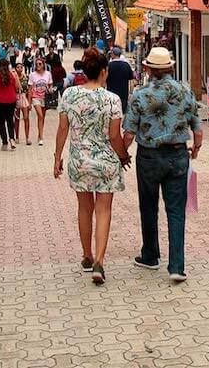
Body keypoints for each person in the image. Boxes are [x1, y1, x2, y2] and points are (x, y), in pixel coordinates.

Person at [122, 47, 202, 283]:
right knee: (176, 211)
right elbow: (197, 129)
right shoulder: (185, 91)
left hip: (148, 157)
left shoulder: (139, 94)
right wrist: (195, 150)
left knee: (148, 206)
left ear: (148, 69)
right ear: (171, 67)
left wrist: (122, 153)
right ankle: (177, 266)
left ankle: (150, 255)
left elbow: (128, 132)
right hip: (178, 156)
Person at [54, 47, 131, 284]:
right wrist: (123, 156)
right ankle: (99, 260)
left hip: (79, 161)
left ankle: (86, 255)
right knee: (104, 210)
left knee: (84, 209)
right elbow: (115, 136)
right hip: (106, 163)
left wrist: (57, 158)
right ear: (104, 72)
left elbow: (63, 129)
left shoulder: (69, 95)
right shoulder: (112, 99)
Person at [0, 58, 20, 151]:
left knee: (1, 122)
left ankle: (4, 142)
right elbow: (18, 87)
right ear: (8, 66)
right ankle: (12, 138)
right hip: (11, 100)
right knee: (10, 120)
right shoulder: (13, 75)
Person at [26, 58, 53, 146]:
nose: (38, 66)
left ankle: (39, 134)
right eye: (36, 64)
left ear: (43, 64)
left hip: (45, 97)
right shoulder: (32, 75)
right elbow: (29, 89)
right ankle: (41, 138)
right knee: (40, 115)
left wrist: (50, 88)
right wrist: (29, 103)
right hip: (35, 97)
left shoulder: (48, 74)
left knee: (42, 118)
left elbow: (50, 84)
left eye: (40, 64)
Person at [105, 46, 134, 113]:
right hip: (124, 94)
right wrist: (131, 92)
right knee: (123, 112)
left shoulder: (109, 66)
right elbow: (131, 81)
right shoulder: (126, 65)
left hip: (111, 94)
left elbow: (104, 80)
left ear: (113, 54)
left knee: (112, 112)